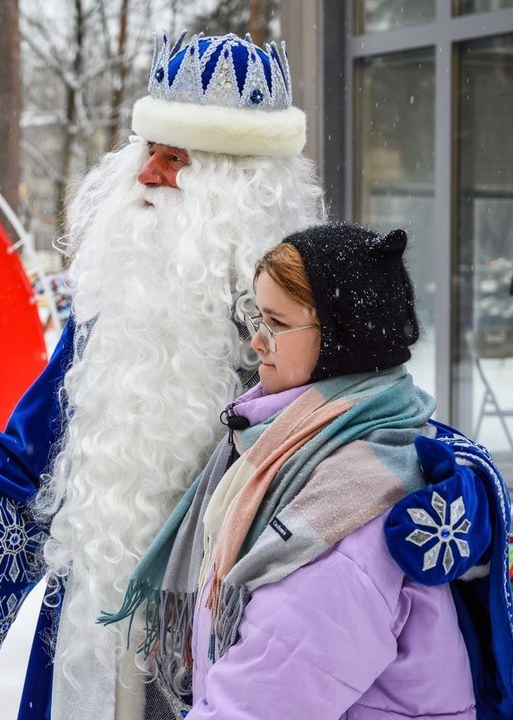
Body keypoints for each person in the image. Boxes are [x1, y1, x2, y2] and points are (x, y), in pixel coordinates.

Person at [0, 32, 324, 720]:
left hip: (239, 647)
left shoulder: (300, 324)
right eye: (148, 152)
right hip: (94, 642)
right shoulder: (111, 313)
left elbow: (367, 428)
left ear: (240, 187)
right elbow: (30, 459)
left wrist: (445, 485)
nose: (147, 175)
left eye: (175, 159)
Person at [103, 223, 513, 718]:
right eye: (256, 317)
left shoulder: (349, 506)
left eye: (276, 323)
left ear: (343, 339)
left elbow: (258, 704)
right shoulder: (297, 442)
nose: (257, 342)